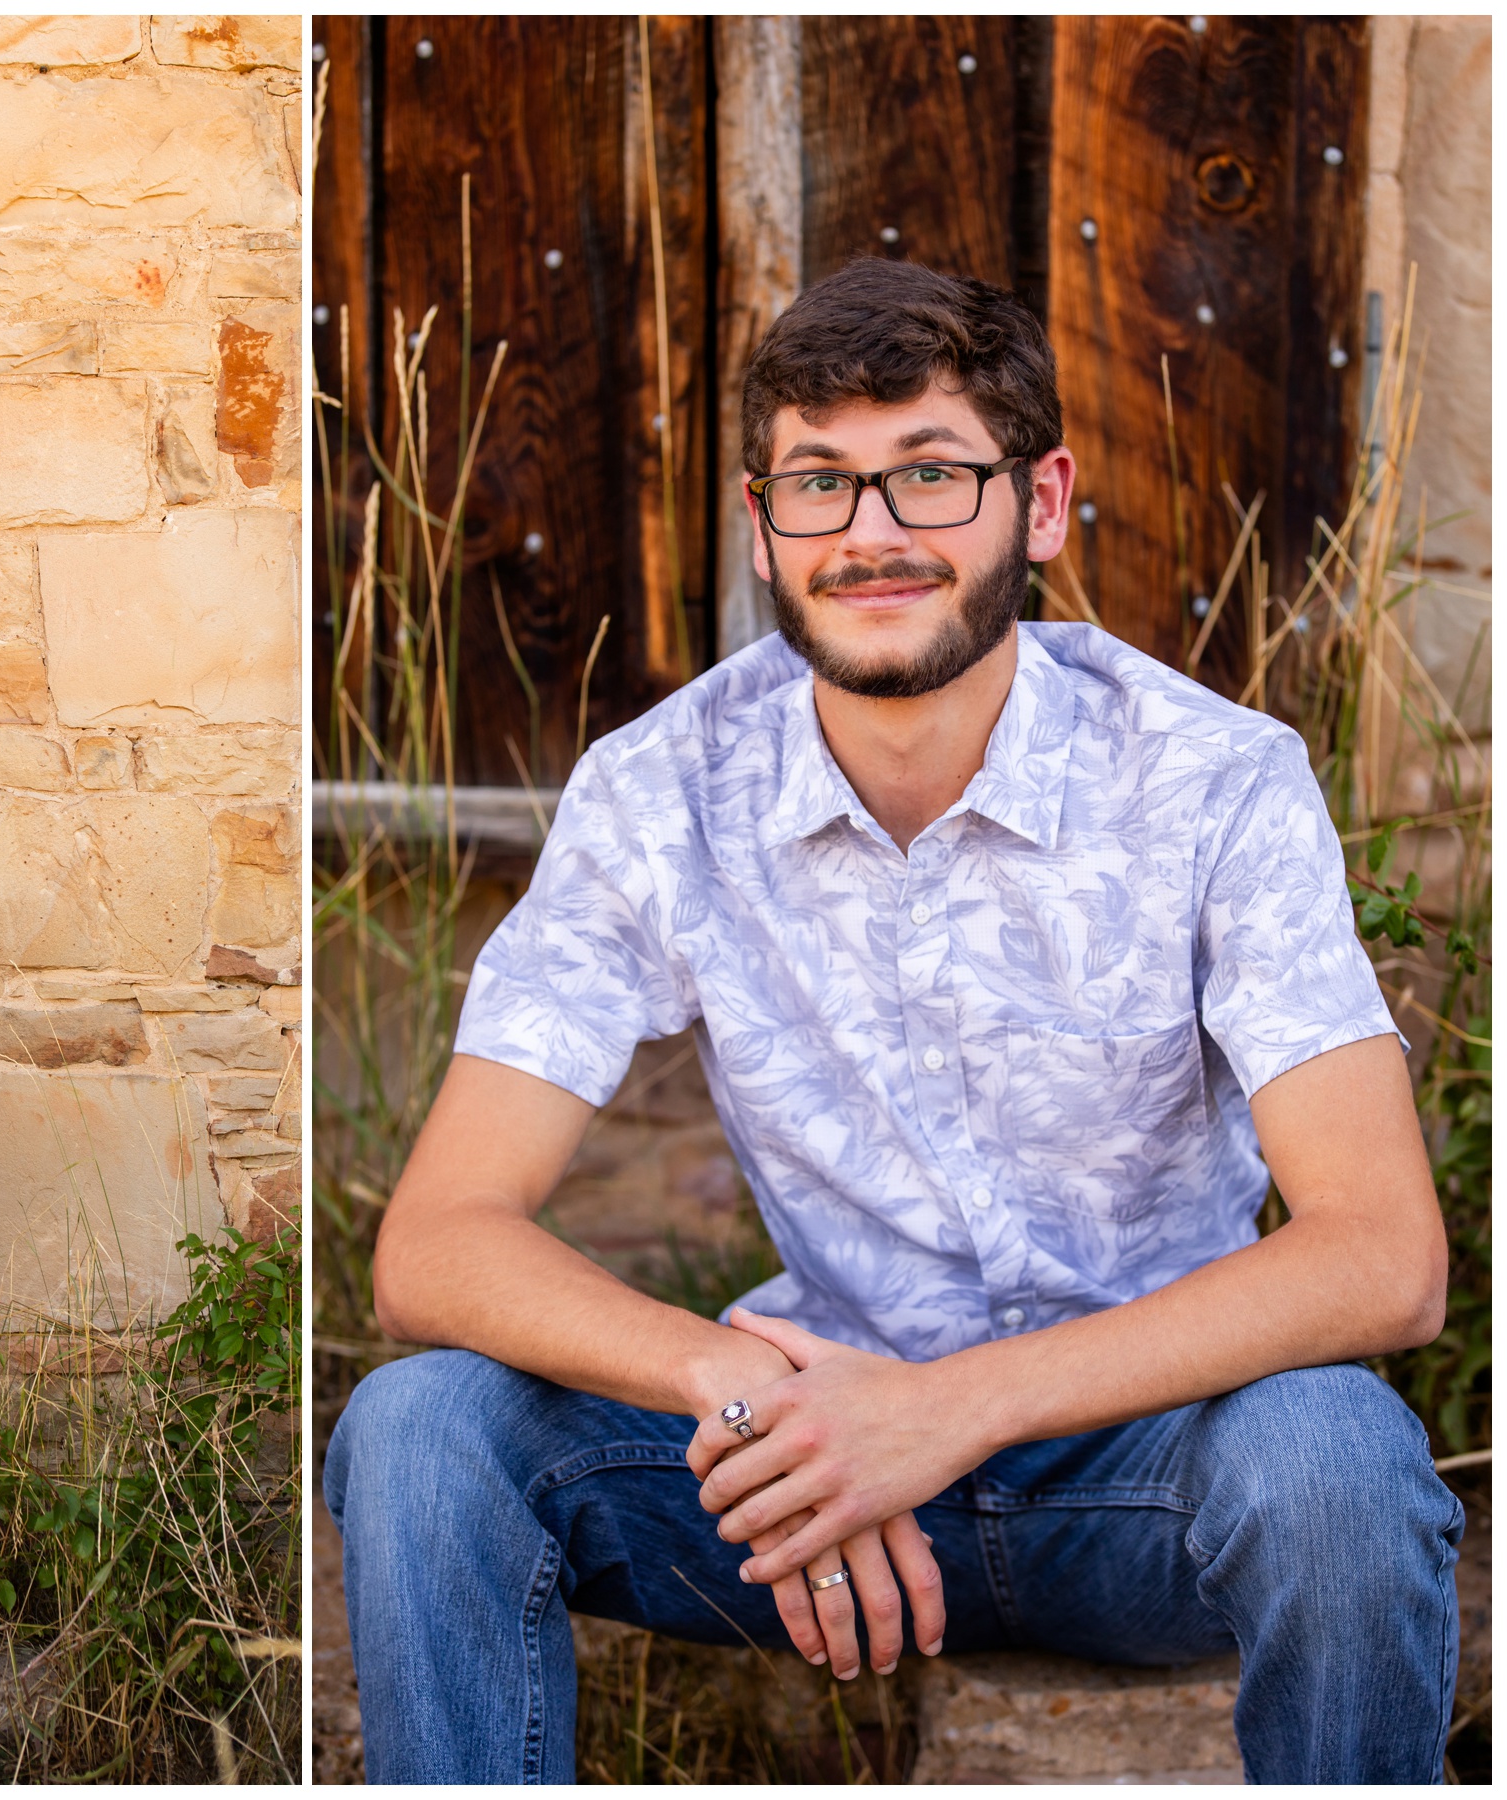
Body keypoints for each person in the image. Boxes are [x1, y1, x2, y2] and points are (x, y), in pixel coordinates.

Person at [325, 259, 1461, 1784]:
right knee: (421, 1430)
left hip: (1150, 1473)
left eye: (930, 475)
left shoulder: (1214, 783)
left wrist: (940, 1417)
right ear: (761, 527)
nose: (870, 537)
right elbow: (439, 1243)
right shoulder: (664, 792)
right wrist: (741, 1397)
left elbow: (1384, 1257)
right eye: (821, 486)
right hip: (803, 1472)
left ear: (1041, 504)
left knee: (1334, 1455)